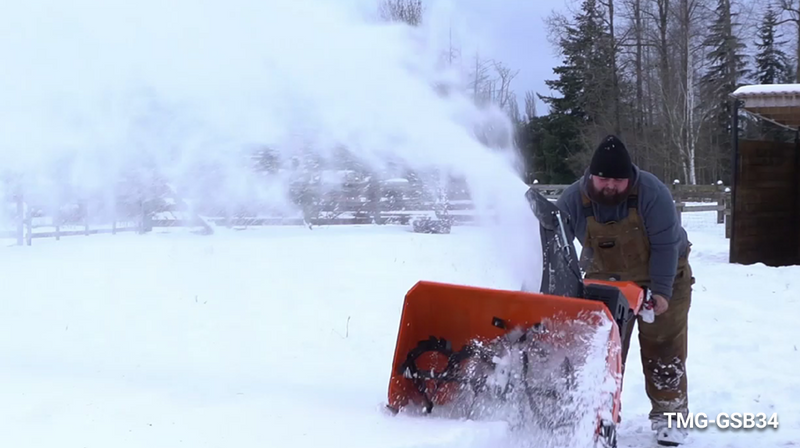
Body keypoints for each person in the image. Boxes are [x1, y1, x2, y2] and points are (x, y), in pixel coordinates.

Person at [555, 134, 694, 446]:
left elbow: (665, 247)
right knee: (601, 352)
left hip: (666, 275)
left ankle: (669, 416)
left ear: (629, 178)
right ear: (591, 175)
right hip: (606, 280)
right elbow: (557, 248)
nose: (610, 186)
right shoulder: (572, 200)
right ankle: (598, 415)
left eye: (618, 180)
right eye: (603, 179)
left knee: (664, 348)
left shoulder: (652, 193)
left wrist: (660, 292)